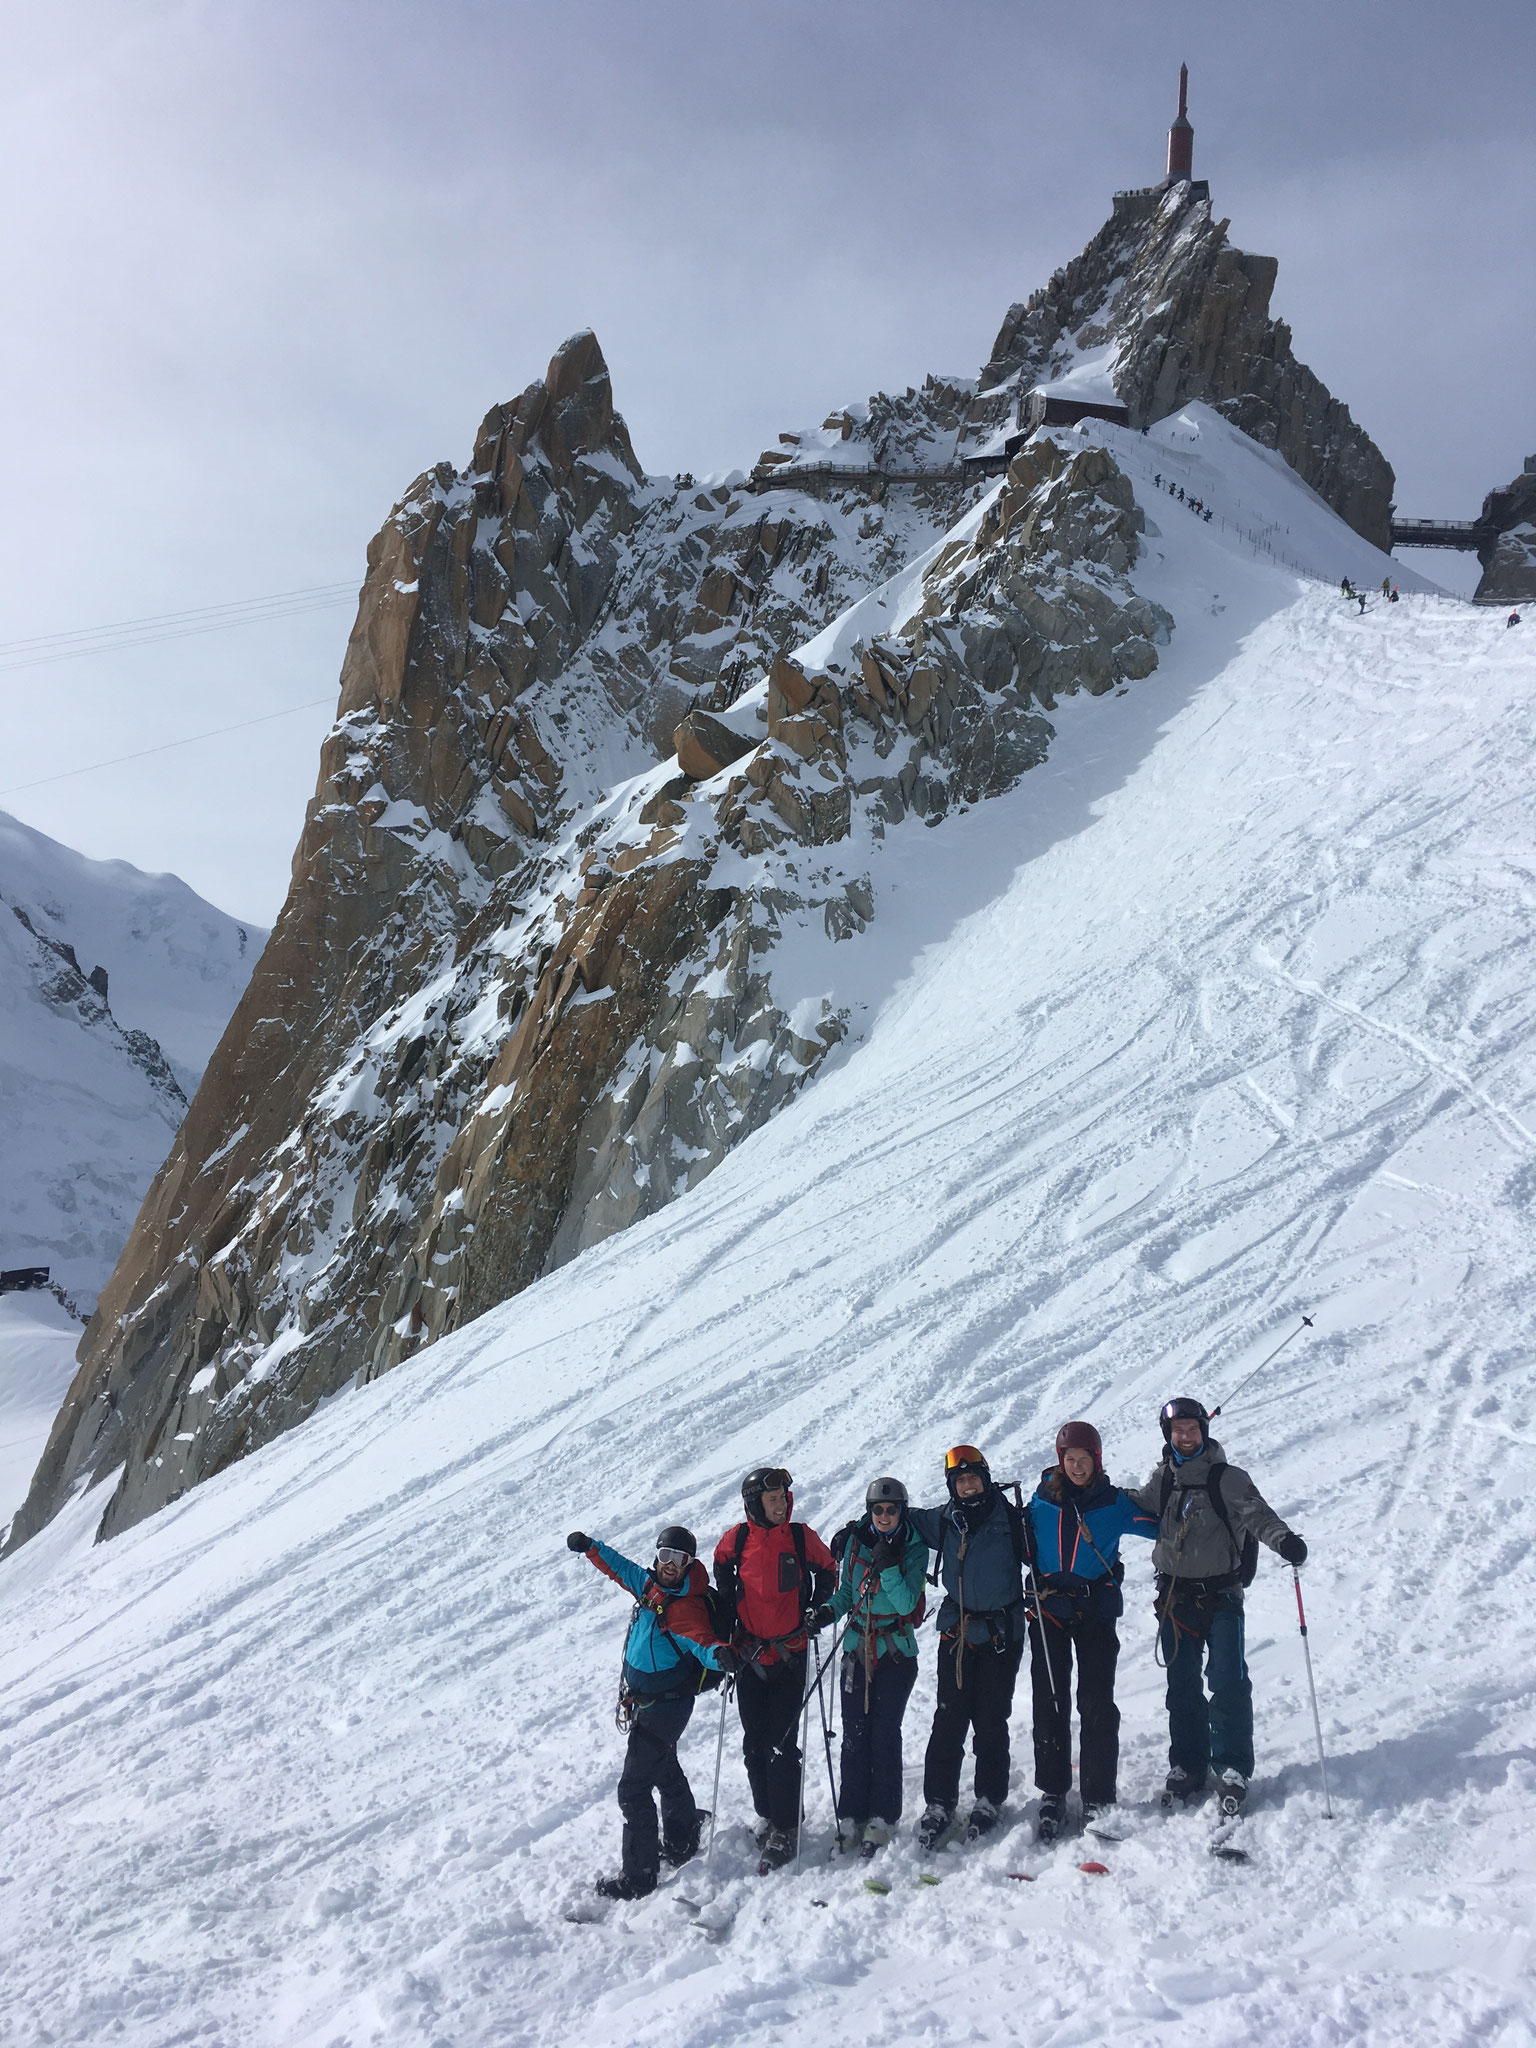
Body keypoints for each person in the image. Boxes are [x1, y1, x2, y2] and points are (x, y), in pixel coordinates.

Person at [1130, 1399, 1308, 1815]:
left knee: (1228, 1679)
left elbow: (1258, 1514)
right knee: (1183, 1685)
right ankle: (1187, 1765)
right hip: (1174, 1597)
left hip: (1222, 1595)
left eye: (1193, 1429)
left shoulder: (1228, 1478)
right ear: (1168, 1435)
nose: (1186, 1436)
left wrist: (1285, 1541)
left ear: (1204, 1432)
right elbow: (1138, 1504)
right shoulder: (1164, 1479)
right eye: (1178, 1431)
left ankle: (1231, 1766)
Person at [567, 1523, 738, 1899]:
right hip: (646, 1701)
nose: (670, 1565)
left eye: (679, 1559)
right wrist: (591, 1547)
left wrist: (721, 1654)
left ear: (689, 1562)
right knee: (663, 1765)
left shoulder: (686, 1609)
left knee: (633, 1789)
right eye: (664, 1556)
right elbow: (620, 1567)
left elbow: (703, 1642)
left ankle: (640, 1876)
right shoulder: (649, 1588)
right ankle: (681, 1838)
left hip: (667, 1707)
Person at [1024, 1423, 1157, 1840]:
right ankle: (1053, 1792)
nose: (1077, 1466)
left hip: (1095, 1611)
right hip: (1050, 1611)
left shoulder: (1113, 1503)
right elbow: (1008, 1538)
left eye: (1084, 1458)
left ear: (1097, 1459)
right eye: (1070, 1459)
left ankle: (1098, 1794)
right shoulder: (1040, 1502)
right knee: (1050, 1701)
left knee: (1097, 1703)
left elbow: (1160, 1526)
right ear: (1060, 1461)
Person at [714, 1467, 835, 1870]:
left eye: (783, 1497)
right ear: (754, 1505)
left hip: (789, 1653)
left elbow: (828, 1569)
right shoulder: (739, 1538)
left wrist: (817, 1607)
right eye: (773, 1499)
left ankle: (786, 1827)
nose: (781, 1504)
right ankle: (769, 1814)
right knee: (754, 1743)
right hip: (749, 1655)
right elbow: (721, 1562)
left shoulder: (801, 1537)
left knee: (782, 1744)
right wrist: (729, 1606)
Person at [908, 1445, 1027, 1848]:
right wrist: (857, 1530)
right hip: (958, 1634)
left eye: (974, 1477)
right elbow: (894, 1519)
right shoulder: (942, 1521)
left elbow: (1042, 1549)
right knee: (949, 1719)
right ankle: (938, 1802)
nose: (969, 1484)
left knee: (991, 1718)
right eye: (960, 1480)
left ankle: (989, 1798)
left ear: (986, 1477)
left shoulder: (1011, 1519)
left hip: (999, 1634)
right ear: (951, 1485)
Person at [808, 1476, 928, 1858]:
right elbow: (848, 1592)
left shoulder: (913, 1546)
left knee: (884, 1732)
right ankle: (851, 1815)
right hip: (857, 1649)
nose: (885, 1515)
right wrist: (827, 1612)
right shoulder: (857, 1541)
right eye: (878, 1509)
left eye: (892, 1509)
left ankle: (883, 1816)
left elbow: (908, 1602)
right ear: (869, 1510)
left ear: (902, 1511)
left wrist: (889, 1566)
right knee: (854, 1735)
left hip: (895, 1651)